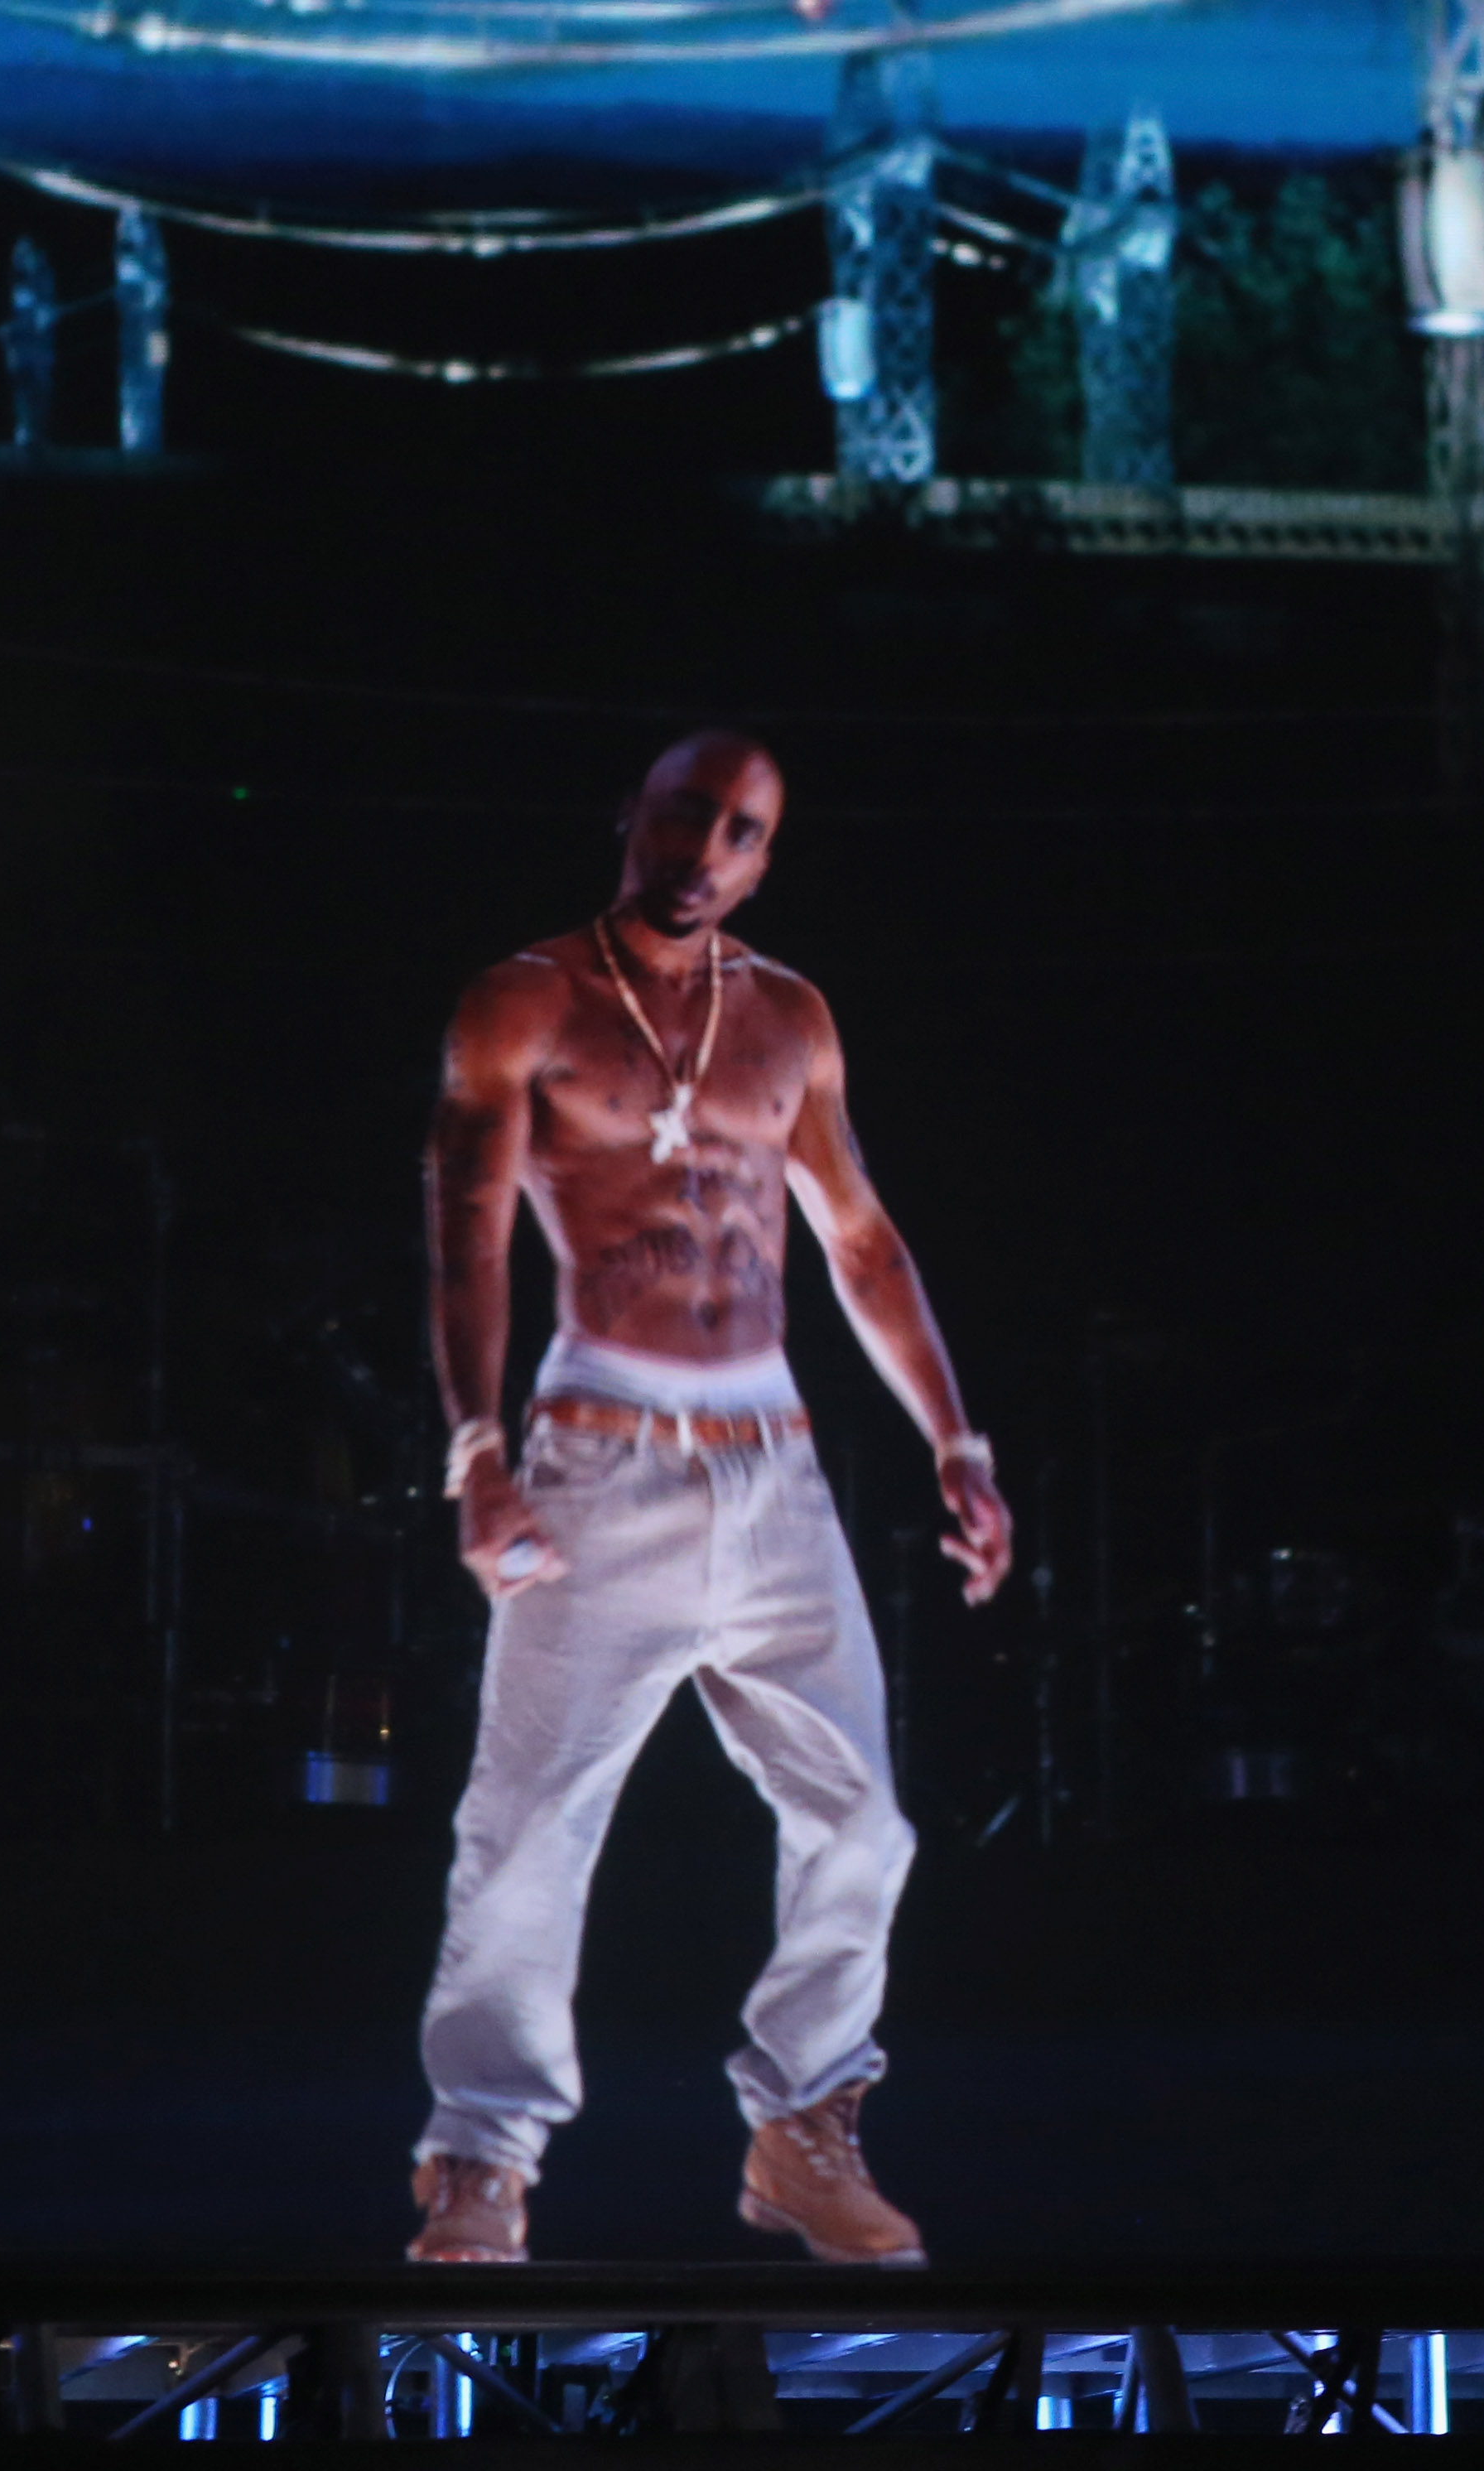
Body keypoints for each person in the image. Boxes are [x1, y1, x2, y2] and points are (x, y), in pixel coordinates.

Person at [407, 728, 1013, 2267]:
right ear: (634, 814)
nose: (707, 849)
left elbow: (861, 1243)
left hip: (774, 1470)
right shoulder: (525, 999)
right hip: (598, 1457)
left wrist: (957, 1443)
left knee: (864, 1820)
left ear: (762, 858)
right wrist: (476, 1455)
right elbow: (468, 1232)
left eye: (742, 832)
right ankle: (481, 2160)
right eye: (687, 814)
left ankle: (804, 2129)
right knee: (531, 1821)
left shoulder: (791, 1019)